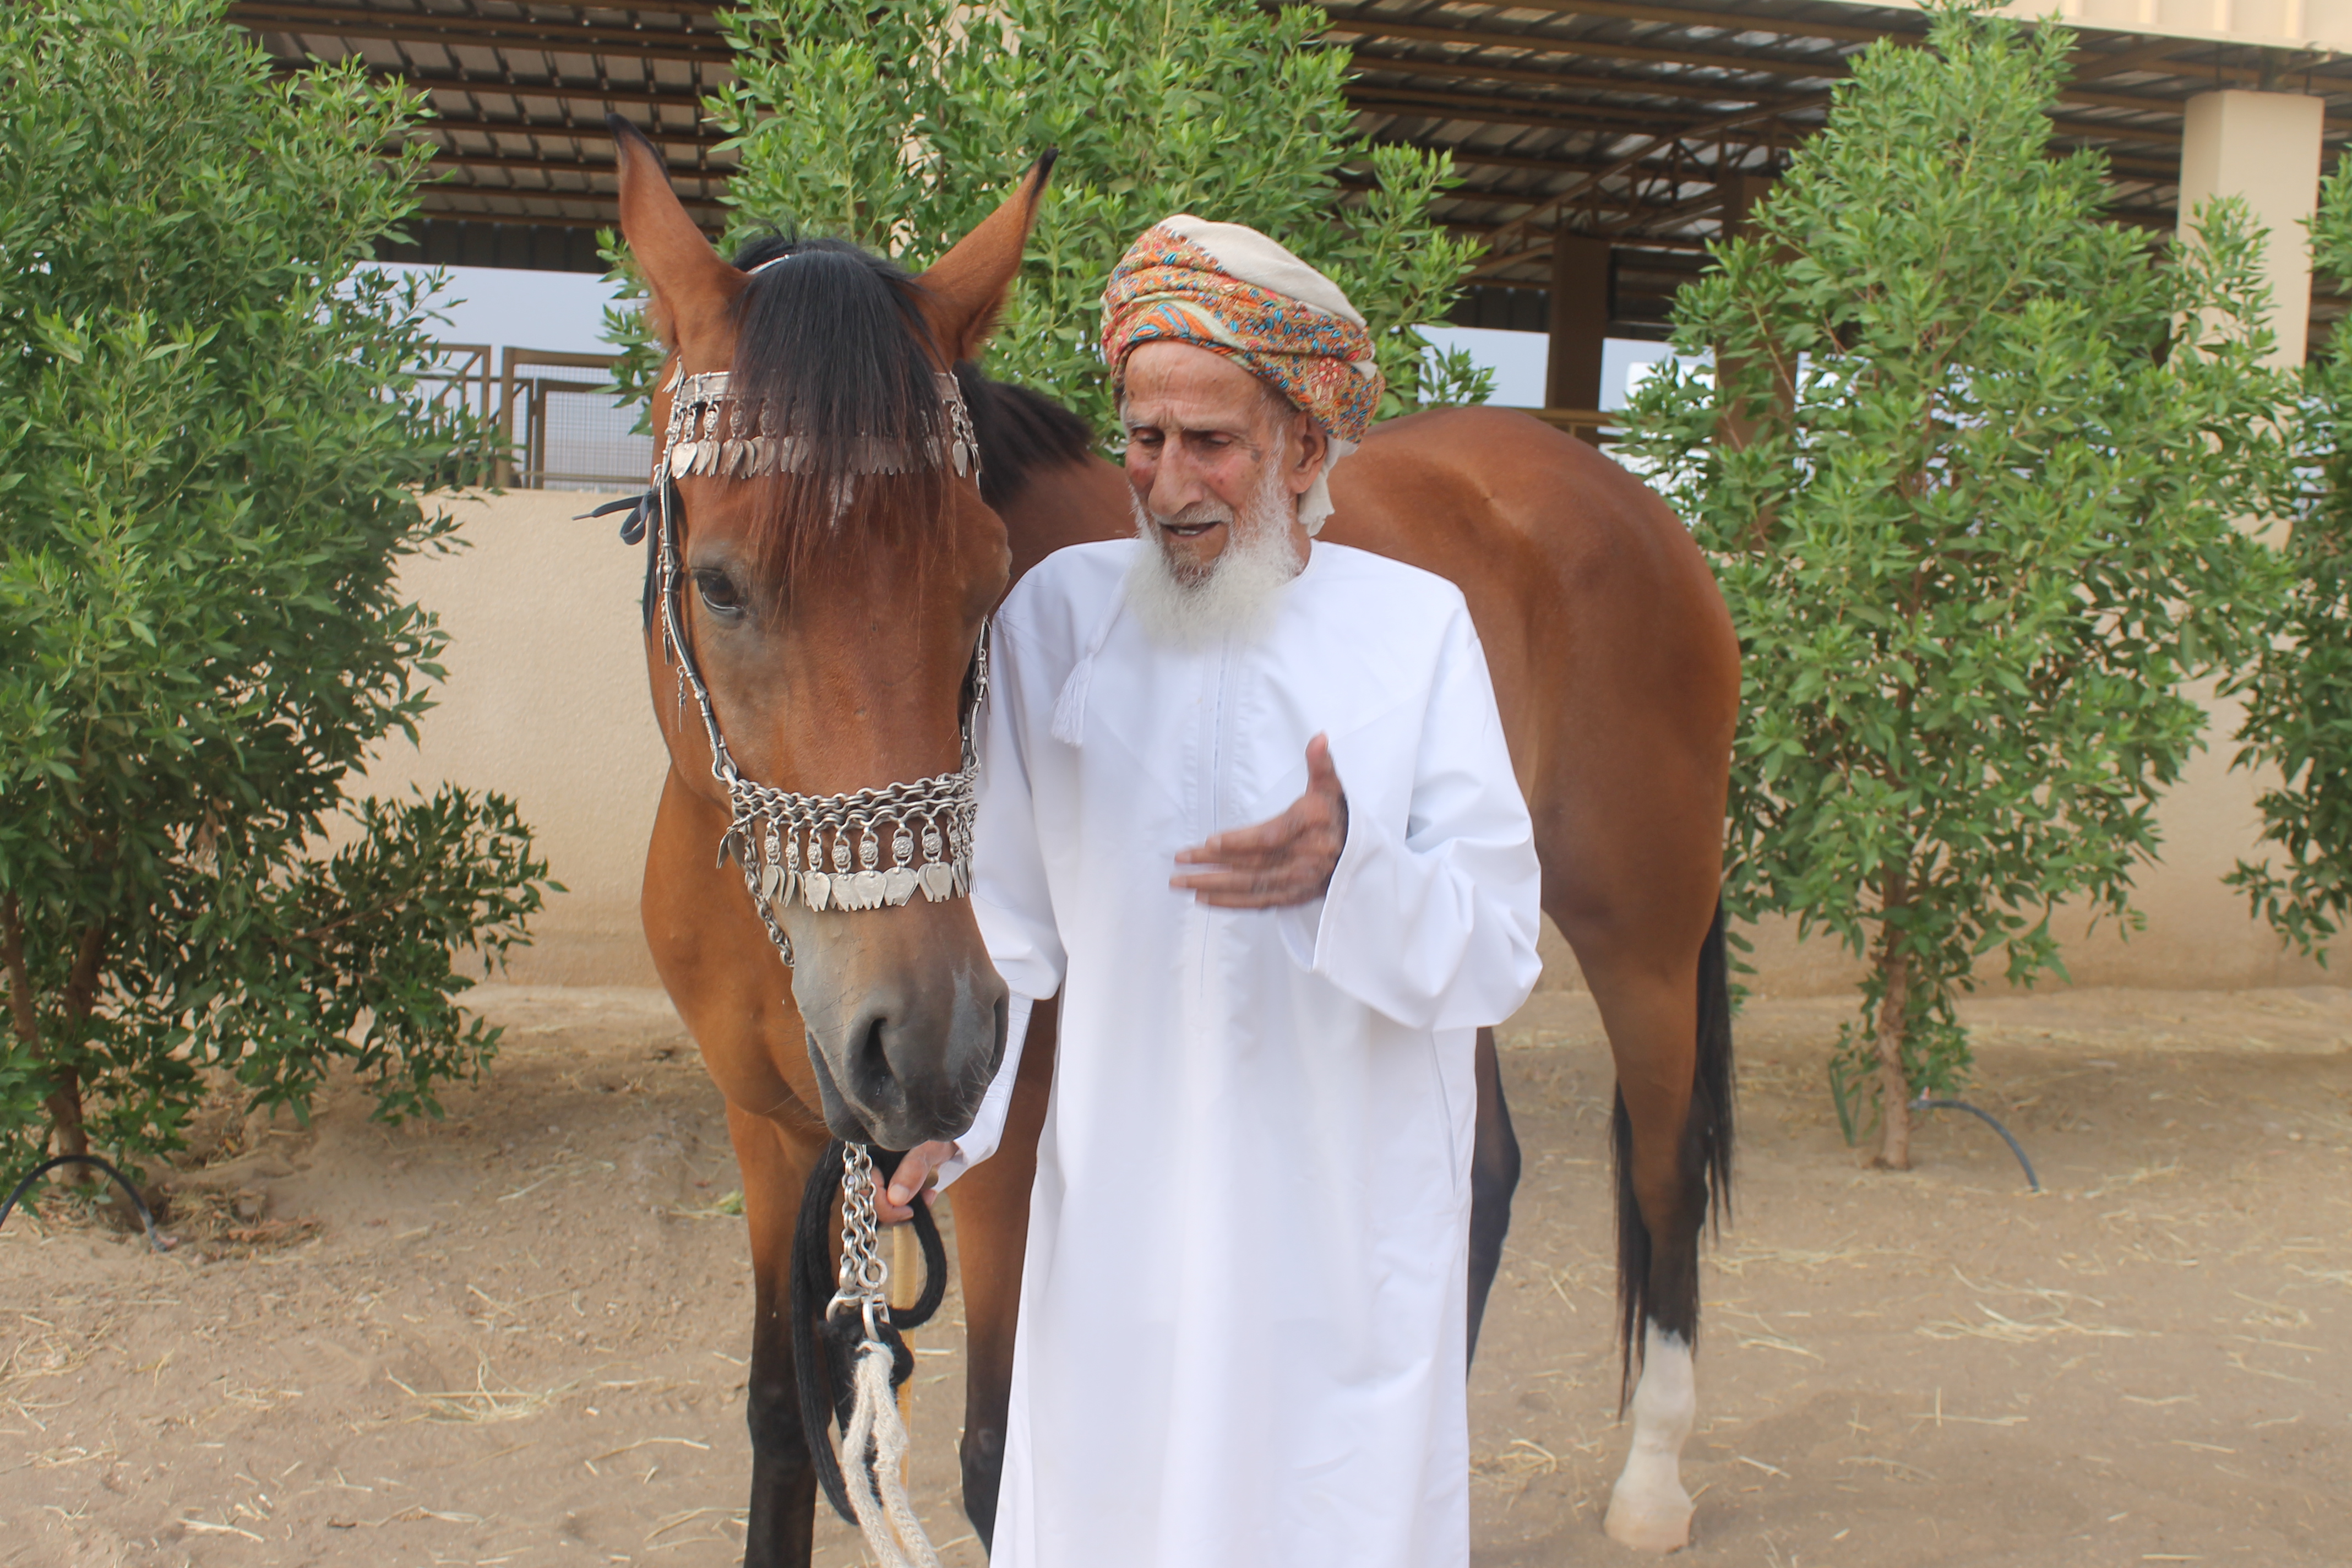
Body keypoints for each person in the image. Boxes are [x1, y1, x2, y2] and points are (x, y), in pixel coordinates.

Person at [876, 214, 1543, 1567]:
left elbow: (1498, 951)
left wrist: (1350, 867)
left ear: (1306, 445)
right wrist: (951, 1115)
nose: (1168, 480)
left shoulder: (1416, 633)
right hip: (1123, 1238)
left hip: (1339, 1251)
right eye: (1143, 436)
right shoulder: (1056, 619)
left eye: (1212, 442)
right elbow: (1008, 919)